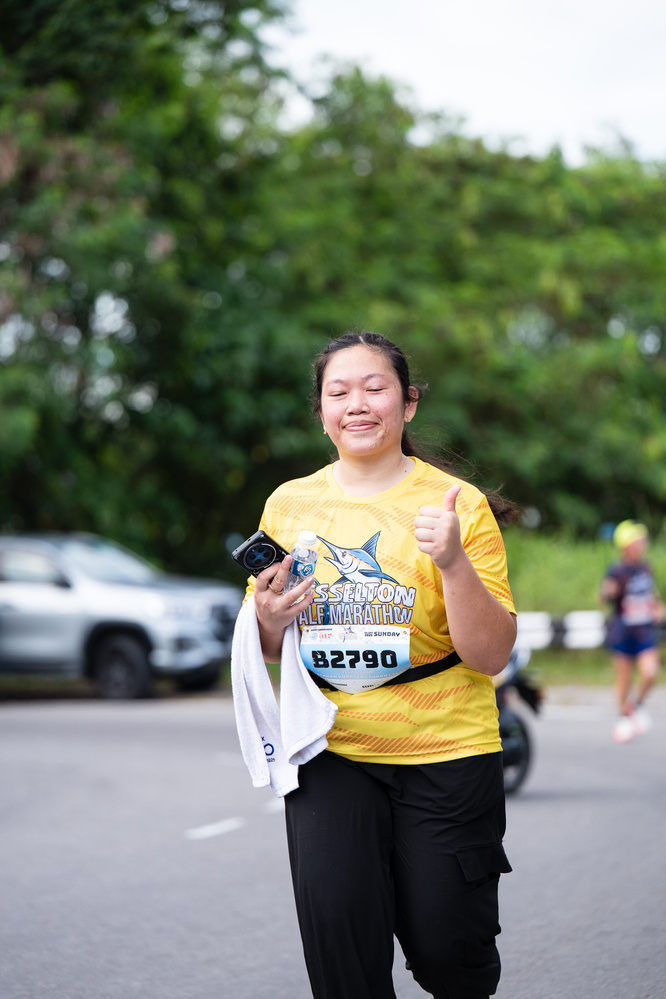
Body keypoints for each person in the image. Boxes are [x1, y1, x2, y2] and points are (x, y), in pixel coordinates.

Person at [244, 331, 520, 999]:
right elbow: (268, 644)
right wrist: (270, 619)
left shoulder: (457, 504)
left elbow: (490, 653)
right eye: (338, 392)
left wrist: (452, 560)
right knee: (340, 945)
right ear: (321, 412)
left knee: (449, 952)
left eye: (375, 388)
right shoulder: (289, 504)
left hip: (447, 750)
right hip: (329, 744)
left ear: (408, 403)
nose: (357, 404)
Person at [601, 520, 663, 744]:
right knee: (624, 679)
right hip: (622, 631)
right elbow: (604, 596)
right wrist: (608, 592)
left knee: (650, 672)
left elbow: (652, 594)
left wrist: (659, 608)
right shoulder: (616, 570)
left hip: (644, 631)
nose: (643, 544)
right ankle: (623, 719)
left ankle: (636, 706)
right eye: (638, 540)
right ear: (626, 545)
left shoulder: (645, 567)